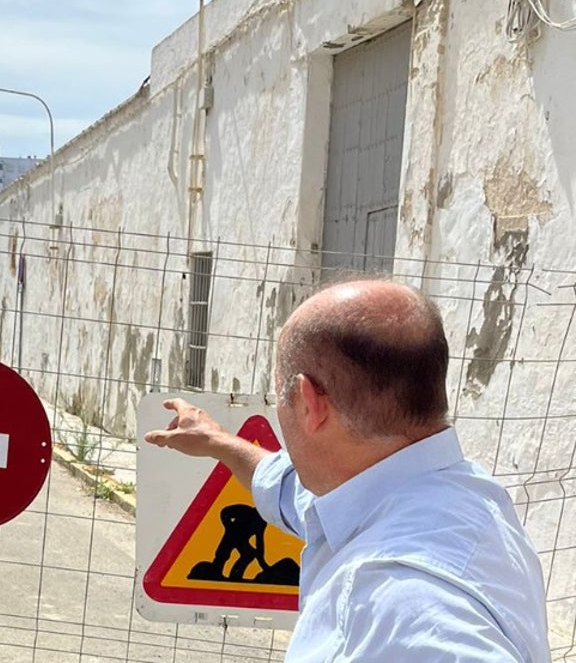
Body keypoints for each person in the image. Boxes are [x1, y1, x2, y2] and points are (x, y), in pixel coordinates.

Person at [145, 279, 549, 662]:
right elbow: (295, 495)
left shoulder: (390, 600)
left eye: (277, 398)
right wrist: (219, 443)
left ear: (309, 402)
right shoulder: (463, 494)